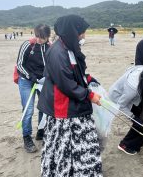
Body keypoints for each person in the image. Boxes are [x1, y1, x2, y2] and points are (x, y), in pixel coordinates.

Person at [37, 15, 102, 176]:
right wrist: (89, 94)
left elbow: (75, 73)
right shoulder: (57, 51)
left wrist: (87, 79)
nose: (83, 36)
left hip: (74, 105)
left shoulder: (69, 47)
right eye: (82, 32)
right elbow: (66, 83)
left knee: (82, 143)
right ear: (73, 32)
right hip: (63, 109)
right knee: (64, 145)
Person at [16, 24, 51, 153]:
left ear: (48, 36)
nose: (39, 40)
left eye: (42, 37)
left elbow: (52, 65)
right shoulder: (28, 45)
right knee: (28, 110)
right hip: (26, 81)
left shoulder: (50, 47)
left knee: (44, 107)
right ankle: (27, 137)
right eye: (37, 36)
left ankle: (41, 131)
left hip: (42, 82)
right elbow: (19, 64)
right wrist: (31, 76)